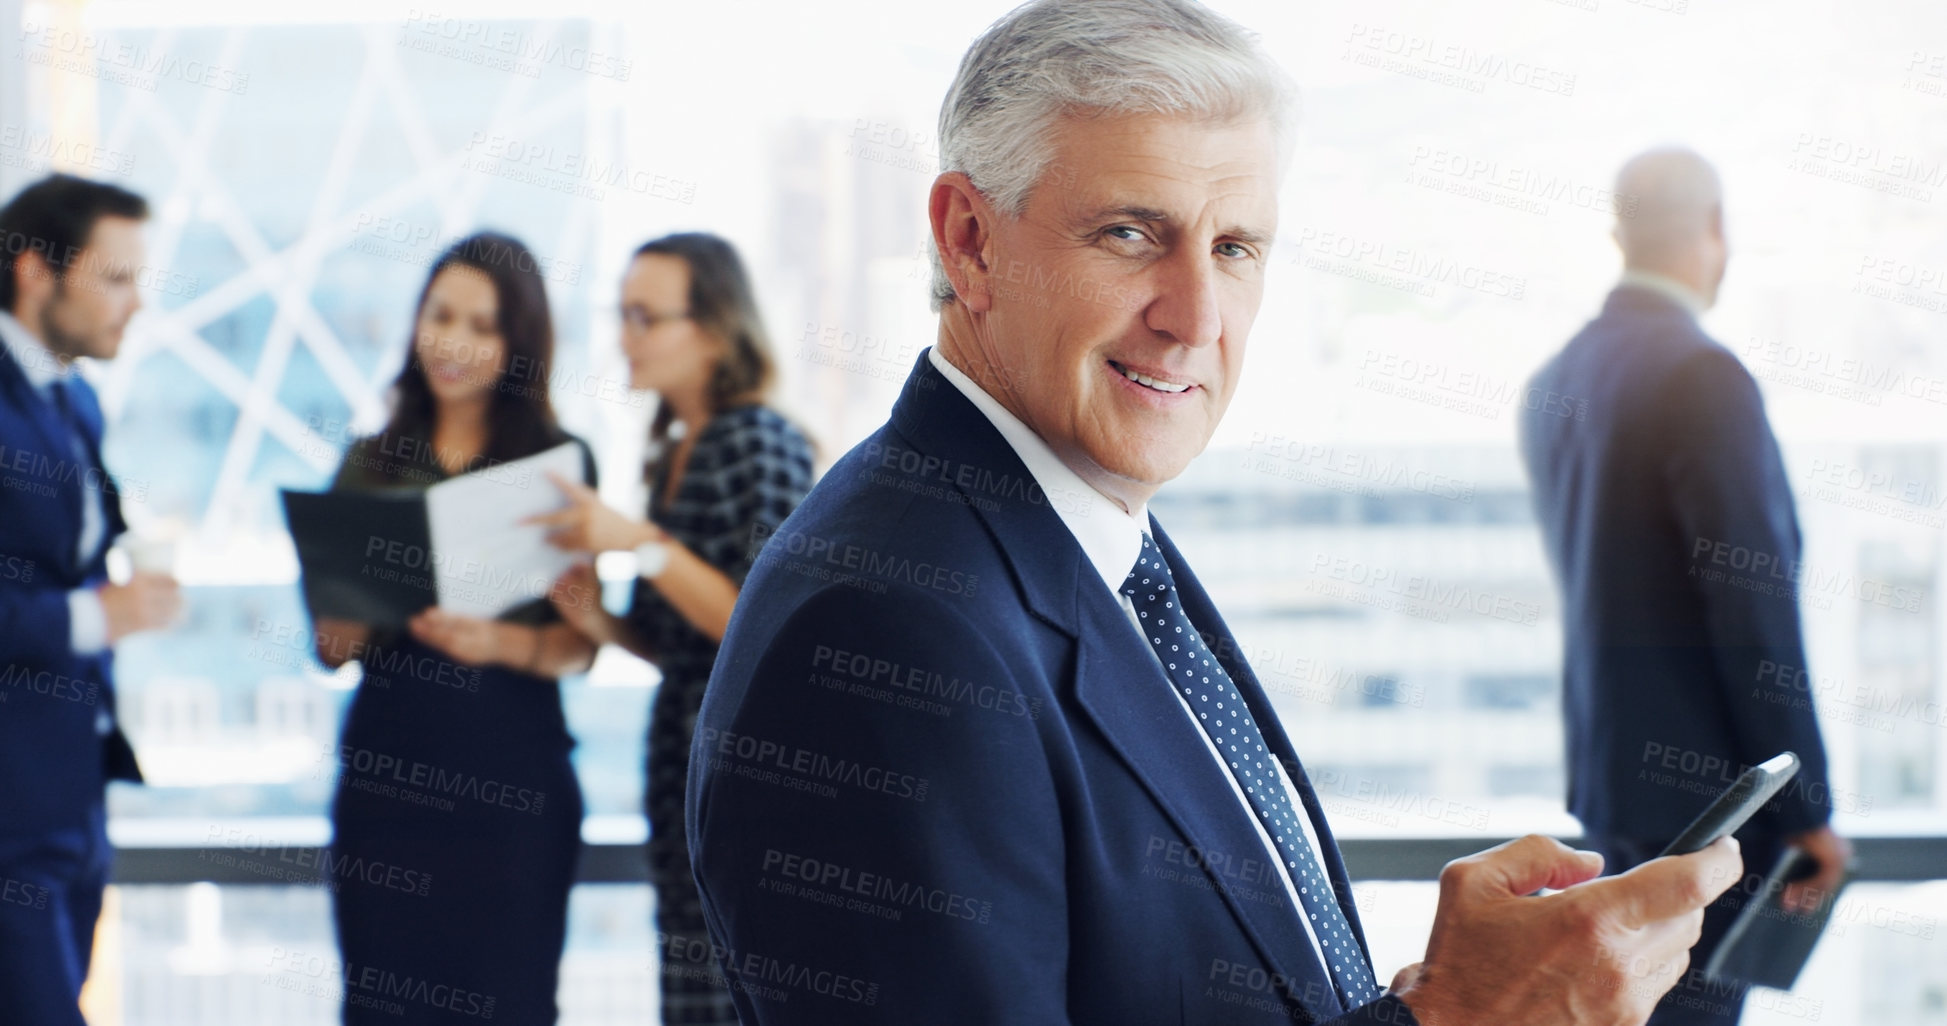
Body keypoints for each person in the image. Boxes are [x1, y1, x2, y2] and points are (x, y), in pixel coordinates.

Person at [686, 2, 1744, 1024]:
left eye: (1235, 248)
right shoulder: (887, 623)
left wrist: (1443, 999)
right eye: (1130, 233)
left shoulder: (1091, 535)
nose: (1196, 318)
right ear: (968, 240)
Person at [1519, 148, 1848, 1025]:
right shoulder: (1701, 376)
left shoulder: (1558, 379)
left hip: (1612, 790)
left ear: (1617, 234)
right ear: (1714, 232)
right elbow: (1751, 605)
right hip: (1711, 812)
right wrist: (1807, 803)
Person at [310, 231, 598, 1025]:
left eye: (481, 325)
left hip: (511, 791)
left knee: (508, 1003)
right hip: (388, 784)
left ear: (517, 344)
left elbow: (580, 644)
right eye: (440, 316)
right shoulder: (371, 462)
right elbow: (331, 650)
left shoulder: (558, 463)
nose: (453, 342)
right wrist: (358, 599)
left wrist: (496, 641)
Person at [533, 232, 814, 1026]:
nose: (624, 335)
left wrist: (638, 543)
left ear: (715, 328)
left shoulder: (756, 440)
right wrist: (596, 618)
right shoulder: (672, 451)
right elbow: (679, 641)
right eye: (620, 314)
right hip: (682, 765)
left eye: (644, 316)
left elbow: (771, 627)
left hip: (748, 773)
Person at [0, 173, 182, 1026]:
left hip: (72, 794)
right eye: (114, 279)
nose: (134, 304)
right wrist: (96, 617)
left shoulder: (75, 400)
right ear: (36, 272)